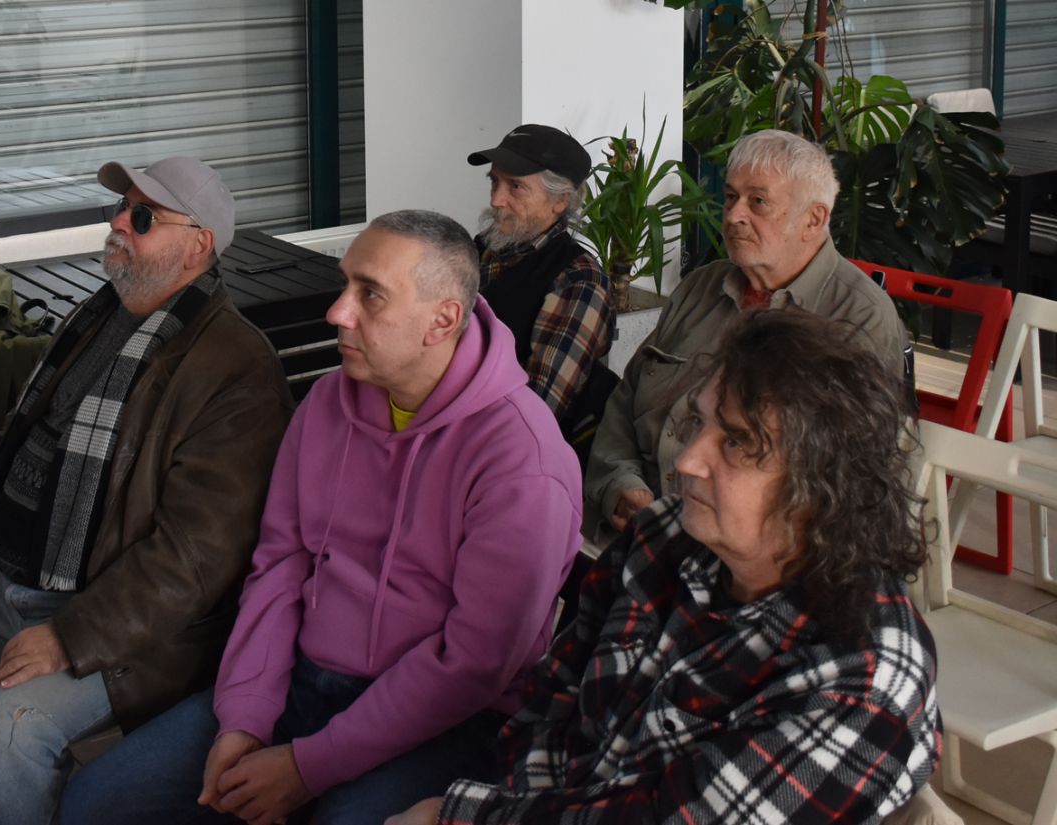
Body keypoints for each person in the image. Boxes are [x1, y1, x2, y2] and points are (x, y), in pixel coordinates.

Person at [58, 209, 584, 825]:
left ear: (442, 320)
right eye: (345, 285)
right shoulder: (327, 403)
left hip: (450, 720)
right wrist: (245, 715)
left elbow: (473, 664)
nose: (337, 312)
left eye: (371, 295)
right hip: (303, 681)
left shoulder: (523, 460)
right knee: (96, 802)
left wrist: (309, 767)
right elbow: (279, 565)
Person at [0, 157, 294, 825]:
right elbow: (10, 441)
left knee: (10, 728)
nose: (119, 223)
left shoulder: (236, 368)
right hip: (13, 574)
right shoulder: (96, 316)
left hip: (121, 623)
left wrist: (70, 637)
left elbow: (194, 560)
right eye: (121, 208)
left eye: (144, 216)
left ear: (198, 245)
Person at [388, 308, 939, 825]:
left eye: (737, 442)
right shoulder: (664, 536)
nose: (688, 459)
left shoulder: (864, 680)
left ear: (822, 485)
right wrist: (507, 801)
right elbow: (550, 704)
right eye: (700, 423)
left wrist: (462, 815)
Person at [584, 128, 909, 542]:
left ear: (813, 219)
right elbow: (627, 397)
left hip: (753, 544)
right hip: (640, 526)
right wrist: (619, 482)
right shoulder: (700, 287)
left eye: (758, 201)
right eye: (731, 197)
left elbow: (845, 475)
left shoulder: (857, 317)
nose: (735, 215)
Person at [469, 123, 614, 425]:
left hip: (499, 442)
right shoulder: (480, 250)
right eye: (494, 181)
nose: (496, 200)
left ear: (561, 201)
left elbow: (536, 412)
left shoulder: (578, 281)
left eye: (515, 187)